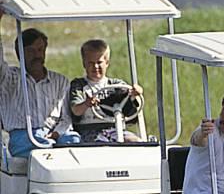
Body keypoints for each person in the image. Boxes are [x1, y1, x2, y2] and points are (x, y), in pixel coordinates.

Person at [0, 9, 81, 158]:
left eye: (40, 50)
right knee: (41, 149)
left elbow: (66, 118)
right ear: (20, 54)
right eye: (31, 51)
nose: (37, 55)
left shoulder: (60, 81)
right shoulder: (9, 78)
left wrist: (56, 134)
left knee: (74, 141)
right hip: (23, 136)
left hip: (55, 134)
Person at [69, 39, 142, 143]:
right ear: (84, 64)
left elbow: (131, 104)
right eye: (91, 63)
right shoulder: (79, 85)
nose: (95, 67)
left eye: (99, 62)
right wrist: (86, 104)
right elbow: (76, 110)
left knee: (136, 141)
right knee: (101, 145)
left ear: (107, 63)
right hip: (88, 130)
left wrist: (135, 94)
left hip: (115, 128)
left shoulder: (116, 85)